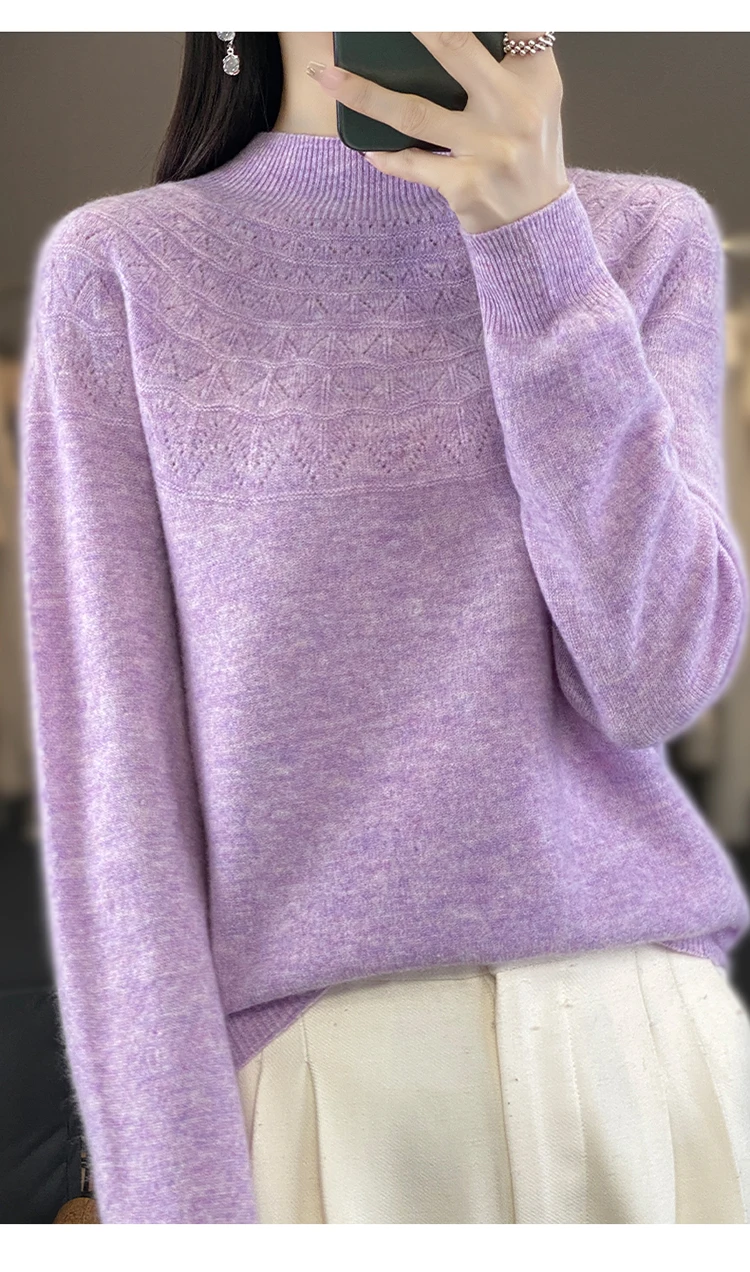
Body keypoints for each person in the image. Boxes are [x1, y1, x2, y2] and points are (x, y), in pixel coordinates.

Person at [18, 30, 750, 1224]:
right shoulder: (126, 267)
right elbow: (117, 785)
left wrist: (532, 243)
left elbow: (656, 677)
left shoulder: (638, 238)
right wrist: (171, 1202)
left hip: (641, 1052)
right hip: (318, 1086)